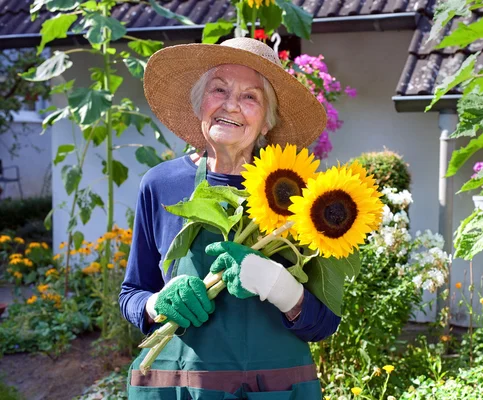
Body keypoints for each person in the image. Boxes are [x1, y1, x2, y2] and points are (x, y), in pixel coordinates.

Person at [119, 37, 340, 399]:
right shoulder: (160, 185)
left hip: (274, 389)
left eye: (250, 97)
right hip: (178, 388)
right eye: (218, 89)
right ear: (199, 104)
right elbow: (132, 294)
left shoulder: (303, 196)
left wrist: (276, 284)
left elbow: (323, 323)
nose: (231, 105)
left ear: (268, 121)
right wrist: (156, 304)